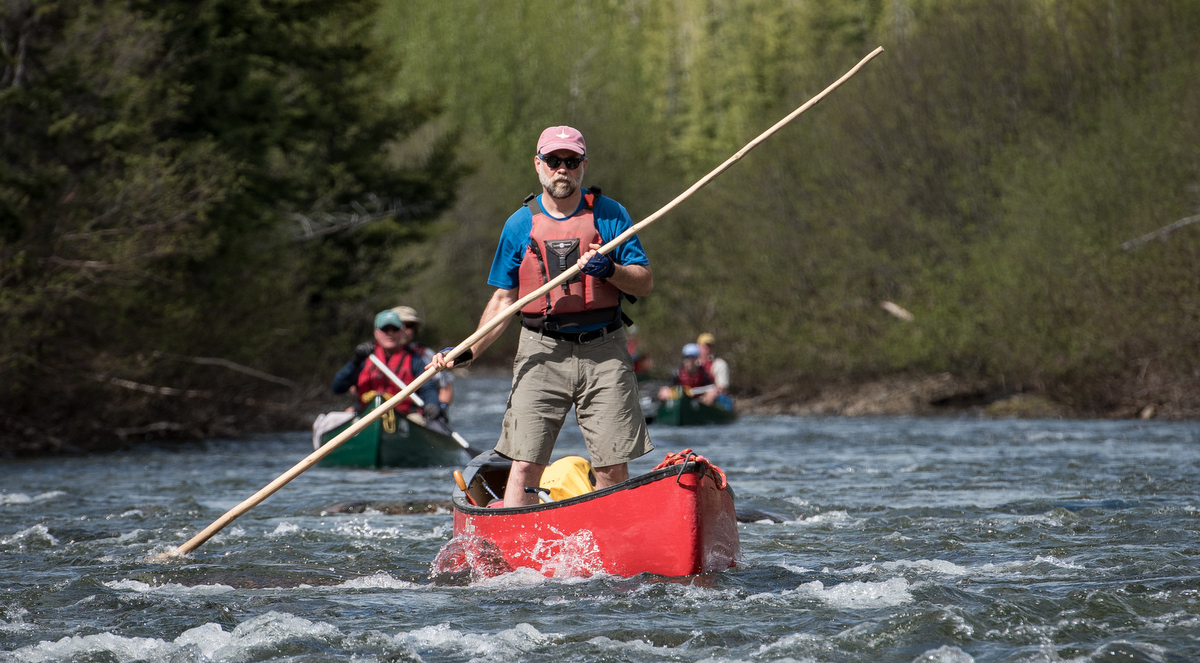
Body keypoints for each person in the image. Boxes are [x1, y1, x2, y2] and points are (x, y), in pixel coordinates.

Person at [433, 125, 654, 506]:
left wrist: (611, 271)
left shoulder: (610, 214)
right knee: (524, 463)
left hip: (605, 349)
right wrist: (467, 352)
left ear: (583, 166)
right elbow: (504, 299)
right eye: (554, 161)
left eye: (571, 161)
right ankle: (519, 553)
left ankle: (609, 550)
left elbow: (644, 282)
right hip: (541, 349)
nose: (562, 169)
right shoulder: (519, 224)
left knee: (612, 466)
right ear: (538, 165)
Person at [331, 308, 442, 424]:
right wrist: (355, 362)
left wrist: (432, 403)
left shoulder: (414, 359)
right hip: (365, 415)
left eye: (395, 329)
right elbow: (337, 387)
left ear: (402, 332)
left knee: (419, 420)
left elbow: (427, 387)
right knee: (334, 419)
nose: (390, 333)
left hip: (403, 417)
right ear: (376, 333)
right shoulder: (364, 357)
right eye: (385, 329)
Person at [696, 332, 734, 410]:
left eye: (710, 346)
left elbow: (722, 388)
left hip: (713, 397)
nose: (707, 348)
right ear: (698, 347)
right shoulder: (692, 364)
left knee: (712, 395)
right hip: (694, 394)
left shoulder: (720, 364)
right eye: (704, 346)